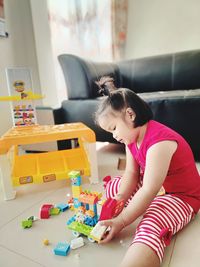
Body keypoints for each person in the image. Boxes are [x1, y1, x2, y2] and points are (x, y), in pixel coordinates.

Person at [94, 76, 200, 267]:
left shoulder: (159, 143)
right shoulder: (132, 138)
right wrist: (119, 201)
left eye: (114, 128)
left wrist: (122, 220)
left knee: (152, 219)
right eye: (111, 133)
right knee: (114, 187)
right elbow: (132, 175)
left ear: (130, 115)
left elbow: (149, 190)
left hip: (180, 196)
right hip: (157, 185)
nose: (114, 135)